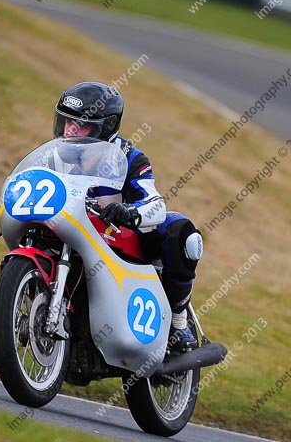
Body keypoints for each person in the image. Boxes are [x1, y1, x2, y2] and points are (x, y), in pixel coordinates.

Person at [53, 81, 204, 351]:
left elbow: (154, 203)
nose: (71, 131)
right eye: (67, 122)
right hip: (72, 230)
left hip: (116, 240)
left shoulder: (130, 158)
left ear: (105, 129)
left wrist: (130, 212)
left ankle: (178, 324)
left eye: (82, 126)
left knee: (181, 231)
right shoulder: (54, 156)